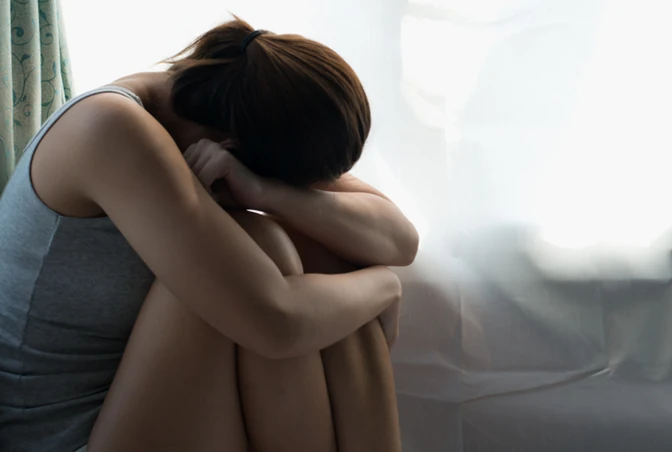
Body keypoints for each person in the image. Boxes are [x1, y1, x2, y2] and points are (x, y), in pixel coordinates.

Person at [0, 17, 418, 452]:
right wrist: (384, 287)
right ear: (231, 144)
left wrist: (269, 192)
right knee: (260, 246)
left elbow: (399, 240)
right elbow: (277, 324)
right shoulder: (109, 127)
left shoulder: (236, 104)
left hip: (148, 406)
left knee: (333, 254)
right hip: (64, 437)